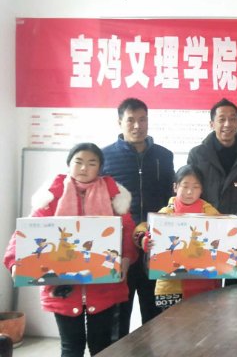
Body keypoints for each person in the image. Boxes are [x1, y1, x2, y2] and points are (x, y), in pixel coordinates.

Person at [4, 143, 137, 356]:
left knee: (102, 346)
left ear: (100, 168)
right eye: (78, 162)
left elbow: (128, 230)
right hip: (62, 287)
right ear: (69, 164)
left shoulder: (114, 196)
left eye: (92, 163)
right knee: (70, 347)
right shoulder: (52, 194)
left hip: (104, 286)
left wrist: (127, 259)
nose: (84, 168)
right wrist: (13, 261)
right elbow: (29, 229)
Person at [101, 97, 174, 337]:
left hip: (155, 244)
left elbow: (171, 198)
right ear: (119, 122)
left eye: (142, 120)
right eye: (130, 120)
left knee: (154, 314)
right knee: (118, 315)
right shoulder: (105, 157)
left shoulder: (164, 156)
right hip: (120, 246)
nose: (137, 126)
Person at [187, 98, 237, 285]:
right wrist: (211, 217)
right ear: (212, 124)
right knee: (206, 289)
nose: (227, 124)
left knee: (236, 291)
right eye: (221, 119)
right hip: (206, 232)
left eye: (232, 119)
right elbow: (191, 190)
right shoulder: (197, 155)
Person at [134, 165, 222, 311]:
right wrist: (144, 240)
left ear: (202, 190)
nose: (190, 192)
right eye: (185, 186)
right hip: (170, 287)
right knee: (172, 323)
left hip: (205, 284)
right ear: (175, 187)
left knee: (204, 322)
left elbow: (225, 236)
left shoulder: (211, 213)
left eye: (195, 187)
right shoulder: (166, 213)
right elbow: (143, 230)